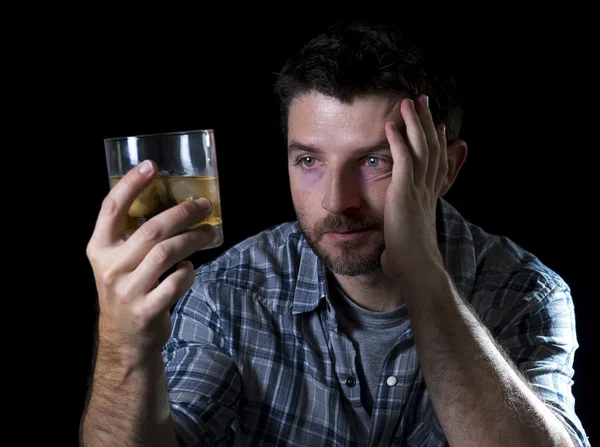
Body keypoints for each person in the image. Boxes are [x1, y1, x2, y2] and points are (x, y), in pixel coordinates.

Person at [80, 20, 590, 446]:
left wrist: (421, 267)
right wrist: (124, 345)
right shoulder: (227, 293)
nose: (335, 201)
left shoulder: (522, 291)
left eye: (374, 161)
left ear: (446, 170)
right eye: (309, 160)